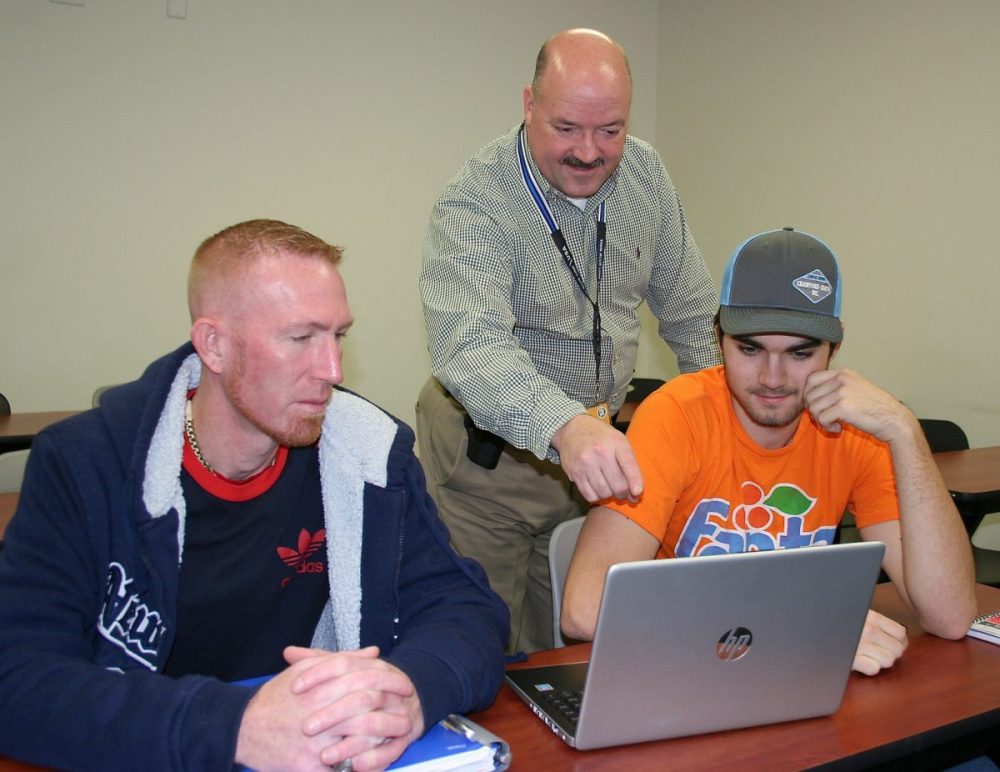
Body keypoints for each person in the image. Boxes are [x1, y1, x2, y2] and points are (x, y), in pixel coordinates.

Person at [0, 220, 509, 771]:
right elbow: (17, 678)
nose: (332, 371)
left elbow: (467, 611)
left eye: (338, 335)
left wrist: (410, 691)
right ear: (213, 345)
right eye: (300, 339)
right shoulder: (86, 464)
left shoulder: (367, 454)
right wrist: (234, 727)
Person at [417, 28, 720, 654]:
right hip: (490, 468)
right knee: (488, 652)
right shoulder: (477, 200)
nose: (589, 152)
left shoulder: (645, 176)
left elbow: (692, 313)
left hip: (597, 464)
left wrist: (725, 415)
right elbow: (468, 344)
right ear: (529, 104)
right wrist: (566, 426)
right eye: (566, 128)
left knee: (579, 650)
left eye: (610, 130)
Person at [561, 226, 978, 674]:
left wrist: (904, 430)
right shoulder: (675, 416)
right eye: (750, 349)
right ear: (718, 338)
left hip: (792, 680)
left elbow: (951, 617)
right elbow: (584, 611)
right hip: (685, 669)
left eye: (800, 354)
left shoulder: (858, 430)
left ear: (834, 348)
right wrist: (799, 627)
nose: (774, 378)